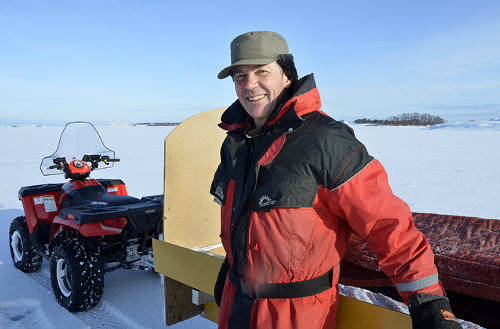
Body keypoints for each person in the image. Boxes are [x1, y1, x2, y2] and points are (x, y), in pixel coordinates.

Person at [210, 31, 462, 329]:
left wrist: (429, 302)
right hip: (236, 304)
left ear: (287, 76)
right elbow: (241, 216)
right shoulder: (236, 142)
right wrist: (232, 264)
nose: (250, 85)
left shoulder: (326, 140)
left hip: (296, 316)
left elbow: (386, 223)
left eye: (261, 72)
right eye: (240, 76)